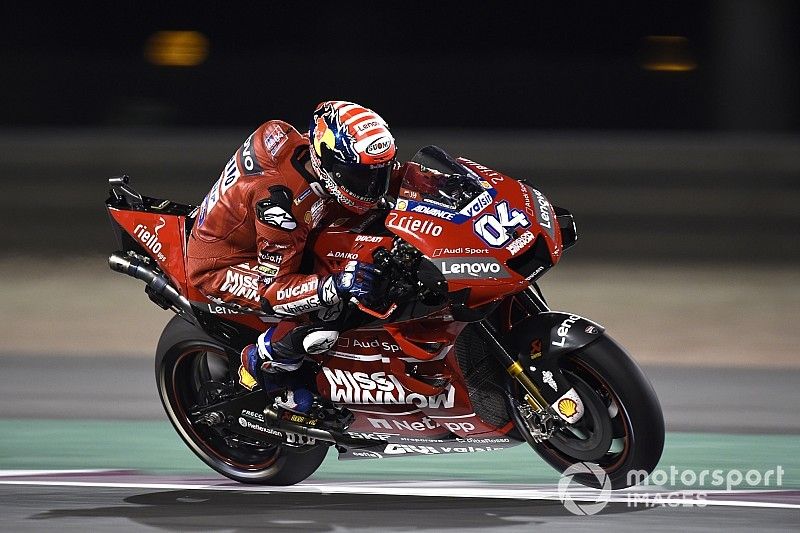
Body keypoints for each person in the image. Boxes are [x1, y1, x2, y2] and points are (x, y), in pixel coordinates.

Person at [186, 101, 401, 415]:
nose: (372, 187)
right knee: (328, 303)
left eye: (378, 173)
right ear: (327, 162)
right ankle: (263, 361)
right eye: (359, 176)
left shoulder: (307, 149)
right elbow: (277, 290)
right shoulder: (280, 208)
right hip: (224, 264)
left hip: (262, 228)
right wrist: (337, 284)